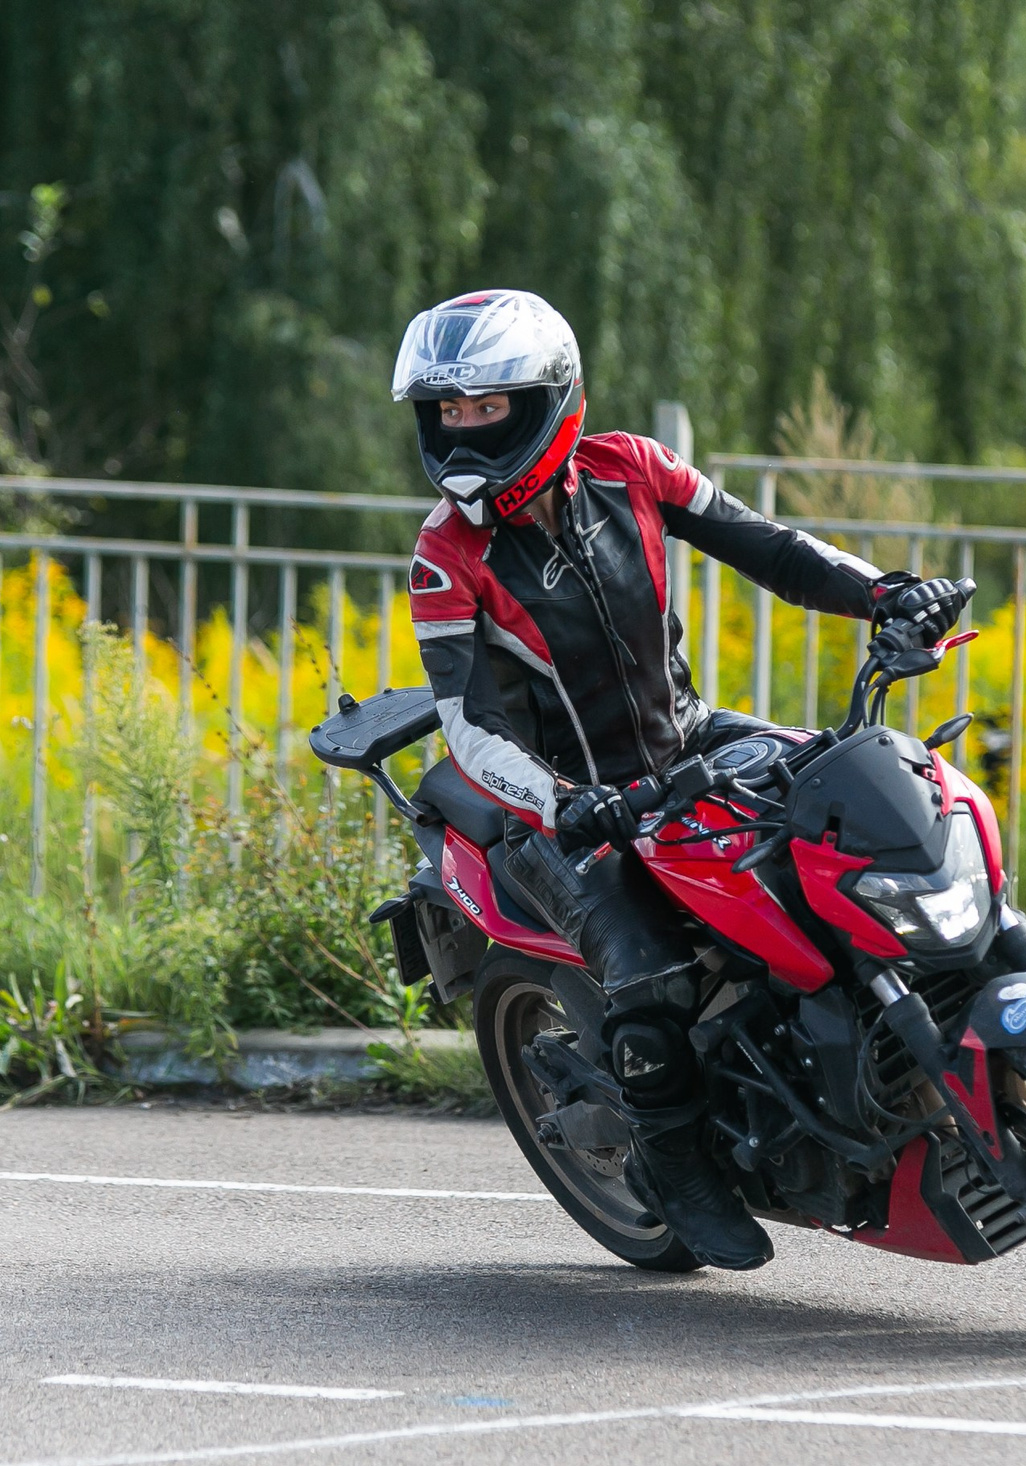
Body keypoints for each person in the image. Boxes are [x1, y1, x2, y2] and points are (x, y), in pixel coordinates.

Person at [392, 288, 968, 1271]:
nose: (464, 429)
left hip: (687, 739)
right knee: (647, 965)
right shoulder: (445, 560)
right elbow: (472, 727)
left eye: (488, 407)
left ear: (549, 398)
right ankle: (678, 1162)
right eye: (447, 411)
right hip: (554, 803)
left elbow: (774, 550)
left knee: (878, 804)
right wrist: (568, 803)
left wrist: (887, 595)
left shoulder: (632, 467)